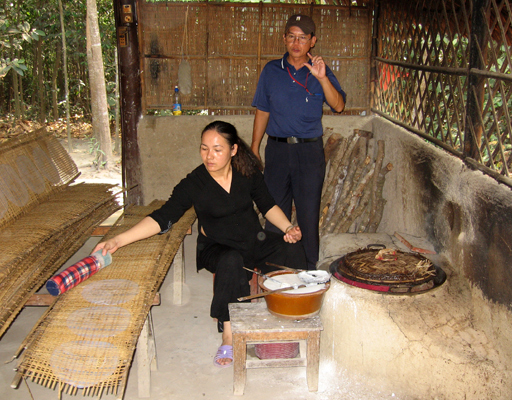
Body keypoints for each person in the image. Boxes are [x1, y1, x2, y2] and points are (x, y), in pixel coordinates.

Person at [93, 120, 307, 368]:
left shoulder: (247, 173)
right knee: (231, 260)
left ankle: (288, 310)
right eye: (204, 148)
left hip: (253, 241)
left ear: (233, 150)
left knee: (291, 248)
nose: (209, 156)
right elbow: (163, 217)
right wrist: (118, 240)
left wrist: (288, 229)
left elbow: (268, 205)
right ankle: (229, 333)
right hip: (217, 247)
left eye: (217, 149)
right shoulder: (195, 183)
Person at [251, 14, 346, 270]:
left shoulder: (321, 71)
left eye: (302, 37)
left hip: (309, 151)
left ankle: (308, 270)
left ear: (312, 41)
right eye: (291, 36)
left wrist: (322, 78)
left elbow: (338, 106)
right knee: (274, 212)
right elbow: (262, 110)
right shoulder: (271, 70)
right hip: (278, 150)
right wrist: (254, 148)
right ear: (284, 38)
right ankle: (273, 269)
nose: (296, 42)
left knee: (308, 213)